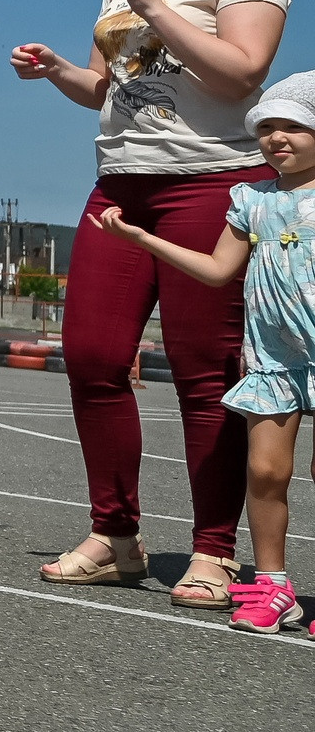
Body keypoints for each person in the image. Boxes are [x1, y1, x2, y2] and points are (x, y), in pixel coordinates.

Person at [12, 0, 291, 607]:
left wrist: (156, 7)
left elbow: (241, 74)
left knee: (205, 376)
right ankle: (116, 537)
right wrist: (59, 71)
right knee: (94, 357)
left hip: (209, 183)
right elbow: (110, 87)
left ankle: (212, 552)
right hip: (119, 186)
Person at [91, 72, 315, 633]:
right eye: (267, 128)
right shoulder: (252, 199)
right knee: (265, 471)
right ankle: (272, 587)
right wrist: (144, 240)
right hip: (273, 359)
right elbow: (217, 270)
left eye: (294, 126)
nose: (276, 138)